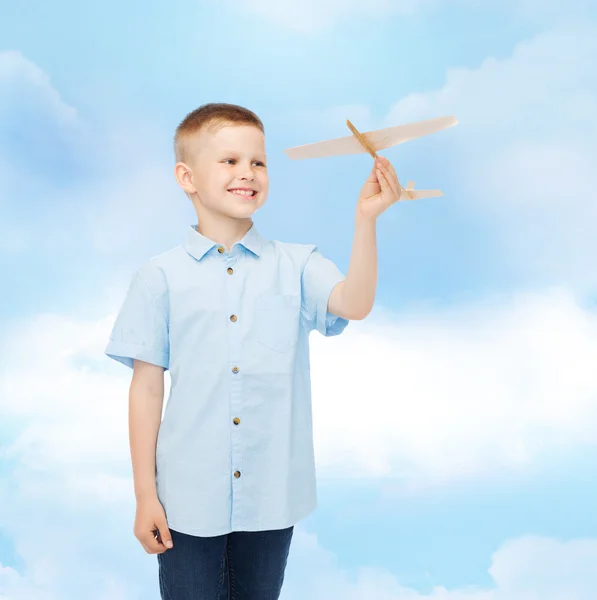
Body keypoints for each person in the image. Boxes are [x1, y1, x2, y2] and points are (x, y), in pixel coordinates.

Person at [104, 102, 401, 599]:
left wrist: (366, 220)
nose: (248, 173)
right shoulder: (159, 277)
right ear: (187, 176)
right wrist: (144, 495)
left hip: (271, 497)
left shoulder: (298, 263)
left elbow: (354, 303)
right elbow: (147, 388)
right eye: (230, 161)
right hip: (185, 498)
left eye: (258, 162)